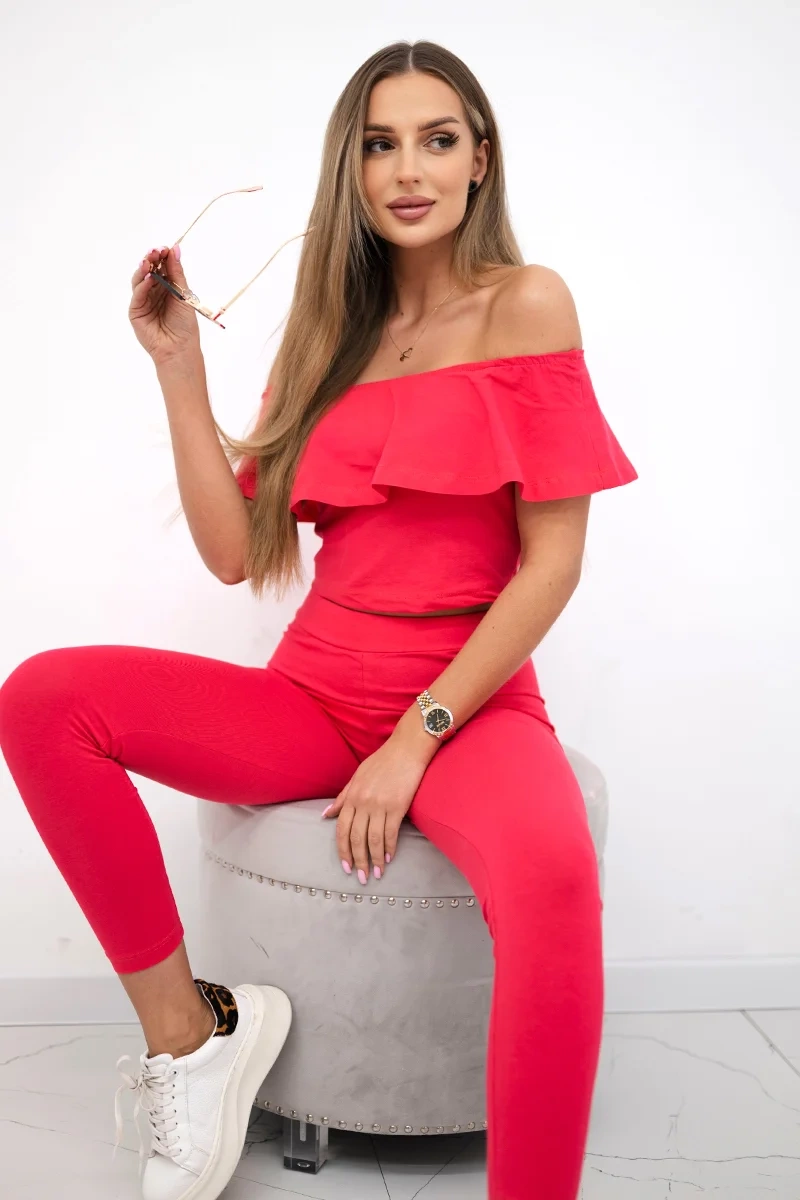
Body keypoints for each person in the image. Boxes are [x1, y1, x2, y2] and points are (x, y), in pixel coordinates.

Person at [0, 39, 637, 1200]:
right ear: (351, 168)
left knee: (552, 877)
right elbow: (235, 554)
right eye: (379, 145)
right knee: (44, 700)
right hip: (313, 694)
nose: (408, 170)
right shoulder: (325, 332)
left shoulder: (526, 303)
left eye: (436, 140)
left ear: (479, 158)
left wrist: (416, 736)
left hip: (469, 706)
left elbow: (552, 566)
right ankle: (190, 1037)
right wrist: (179, 366)